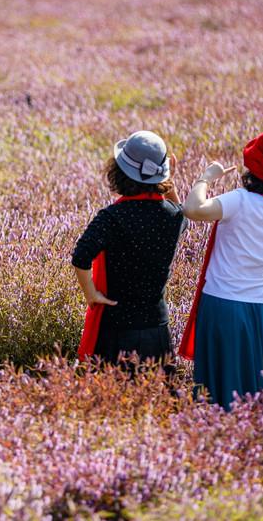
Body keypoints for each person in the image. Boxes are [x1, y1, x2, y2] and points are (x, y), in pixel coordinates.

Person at [180, 130, 263, 411]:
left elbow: (193, 209)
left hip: (220, 305)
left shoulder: (240, 200)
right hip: (258, 312)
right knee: (259, 391)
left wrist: (206, 178)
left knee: (218, 391)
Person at [72, 130, 187, 373]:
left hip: (115, 329)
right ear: (163, 174)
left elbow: (81, 257)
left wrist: (91, 294)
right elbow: (180, 210)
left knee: (114, 402)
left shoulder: (111, 217)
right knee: (157, 400)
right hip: (156, 329)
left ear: (118, 172)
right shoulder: (173, 217)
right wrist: (169, 182)